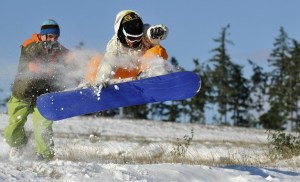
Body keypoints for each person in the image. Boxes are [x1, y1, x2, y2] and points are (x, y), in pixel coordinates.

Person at [3, 19, 71, 161]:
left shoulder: (58, 50)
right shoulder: (29, 45)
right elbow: (30, 52)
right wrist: (43, 46)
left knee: (43, 128)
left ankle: (45, 157)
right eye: (50, 36)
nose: (54, 40)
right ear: (43, 35)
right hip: (22, 94)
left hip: (43, 96)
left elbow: (72, 60)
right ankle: (20, 145)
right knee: (12, 131)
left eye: (56, 37)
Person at [82, 10, 169, 87]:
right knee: (97, 59)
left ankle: (148, 75)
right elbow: (108, 63)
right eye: (132, 38)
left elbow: (158, 31)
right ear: (123, 35)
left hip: (142, 71)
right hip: (125, 72)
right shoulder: (115, 46)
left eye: (139, 37)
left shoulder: (147, 33)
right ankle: (91, 85)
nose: (136, 41)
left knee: (158, 49)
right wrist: (101, 79)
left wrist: (160, 31)